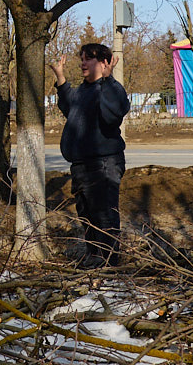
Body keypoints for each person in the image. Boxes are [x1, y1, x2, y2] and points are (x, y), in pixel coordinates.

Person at [49, 42, 131, 268]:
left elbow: (112, 114)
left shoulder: (112, 89)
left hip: (104, 163)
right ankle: (93, 258)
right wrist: (61, 78)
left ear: (104, 63)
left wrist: (107, 80)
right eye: (82, 58)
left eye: (89, 59)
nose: (83, 63)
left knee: (104, 216)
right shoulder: (83, 90)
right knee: (87, 216)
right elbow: (69, 108)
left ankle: (108, 264)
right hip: (81, 165)